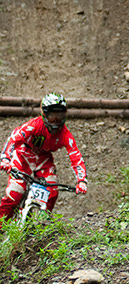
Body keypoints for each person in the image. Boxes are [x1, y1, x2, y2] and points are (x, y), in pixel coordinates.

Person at [0, 94, 87, 228]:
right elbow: (14, 139)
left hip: (43, 159)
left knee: (52, 192)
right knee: (15, 193)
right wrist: (5, 159)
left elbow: (75, 156)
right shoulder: (34, 125)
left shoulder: (65, 134)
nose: (56, 121)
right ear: (44, 114)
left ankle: (43, 226)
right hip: (23, 155)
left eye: (60, 116)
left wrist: (81, 181)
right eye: (52, 116)